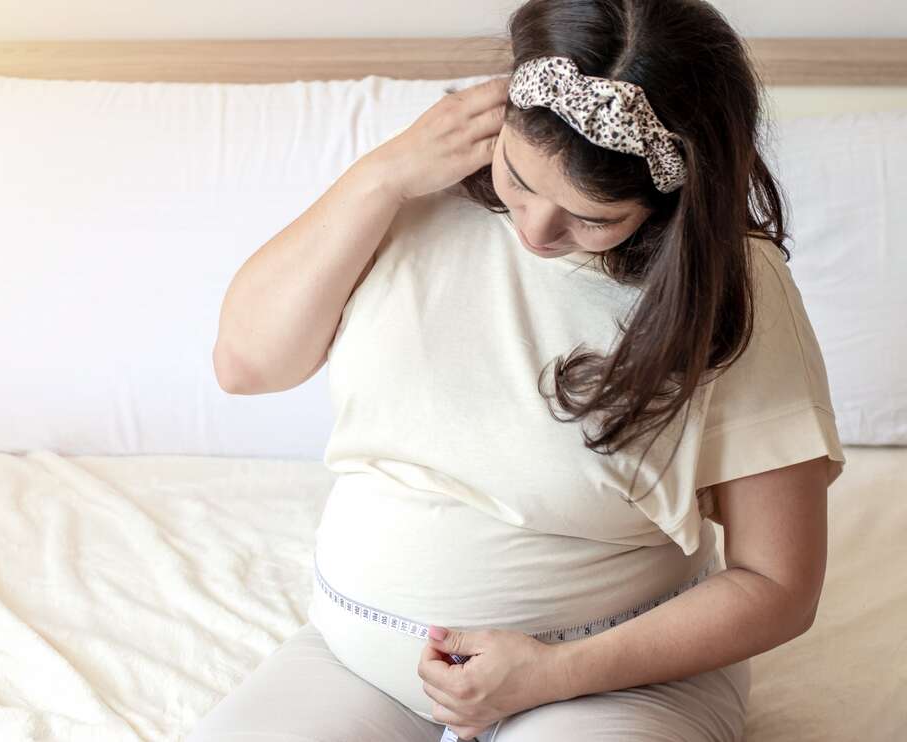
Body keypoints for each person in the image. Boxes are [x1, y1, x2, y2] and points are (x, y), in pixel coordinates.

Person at [195, 0, 846, 739]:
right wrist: (377, 178)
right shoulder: (419, 184)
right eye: (519, 178)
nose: (537, 230)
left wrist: (552, 673)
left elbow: (779, 584)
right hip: (355, 661)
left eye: (592, 217)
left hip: (607, 684)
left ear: (672, 202)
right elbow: (245, 364)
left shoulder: (730, 286)